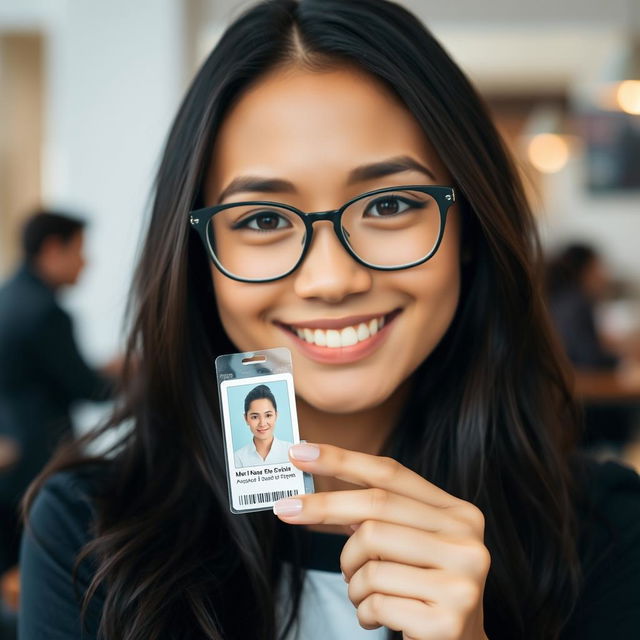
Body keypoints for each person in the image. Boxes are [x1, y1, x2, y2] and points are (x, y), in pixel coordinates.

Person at [18, 2, 640, 639]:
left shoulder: (609, 530)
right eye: (262, 219)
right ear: (199, 258)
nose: (332, 280)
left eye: (392, 204)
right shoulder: (88, 535)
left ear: (470, 230)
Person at [0, 211, 120, 579]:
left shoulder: (9, 297)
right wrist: (134, 374)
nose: (86, 262)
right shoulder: (46, 313)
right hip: (38, 456)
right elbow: (88, 388)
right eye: (80, 250)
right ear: (53, 249)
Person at [234, 384, 293, 467]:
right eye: (255, 417)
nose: (262, 423)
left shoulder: (291, 452)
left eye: (268, 415)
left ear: (276, 415)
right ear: (246, 419)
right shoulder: (238, 458)